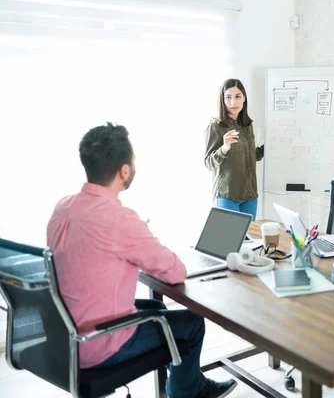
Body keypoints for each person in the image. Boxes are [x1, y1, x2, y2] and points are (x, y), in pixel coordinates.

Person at [47, 123, 237, 398]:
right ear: (124, 171)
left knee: (153, 307)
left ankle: (184, 383)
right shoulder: (118, 219)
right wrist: (141, 235)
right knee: (193, 323)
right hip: (99, 344)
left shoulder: (63, 207)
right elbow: (176, 273)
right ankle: (187, 391)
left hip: (65, 332)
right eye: (133, 159)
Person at [204, 78, 264, 220]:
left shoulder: (247, 125)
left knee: (249, 242)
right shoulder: (215, 126)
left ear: (244, 98)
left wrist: (269, 148)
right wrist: (224, 148)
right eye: (228, 97)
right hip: (227, 196)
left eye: (237, 96)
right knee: (229, 241)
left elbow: (251, 156)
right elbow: (208, 163)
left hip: (250, 196)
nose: (233, 102)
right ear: (222, 100)